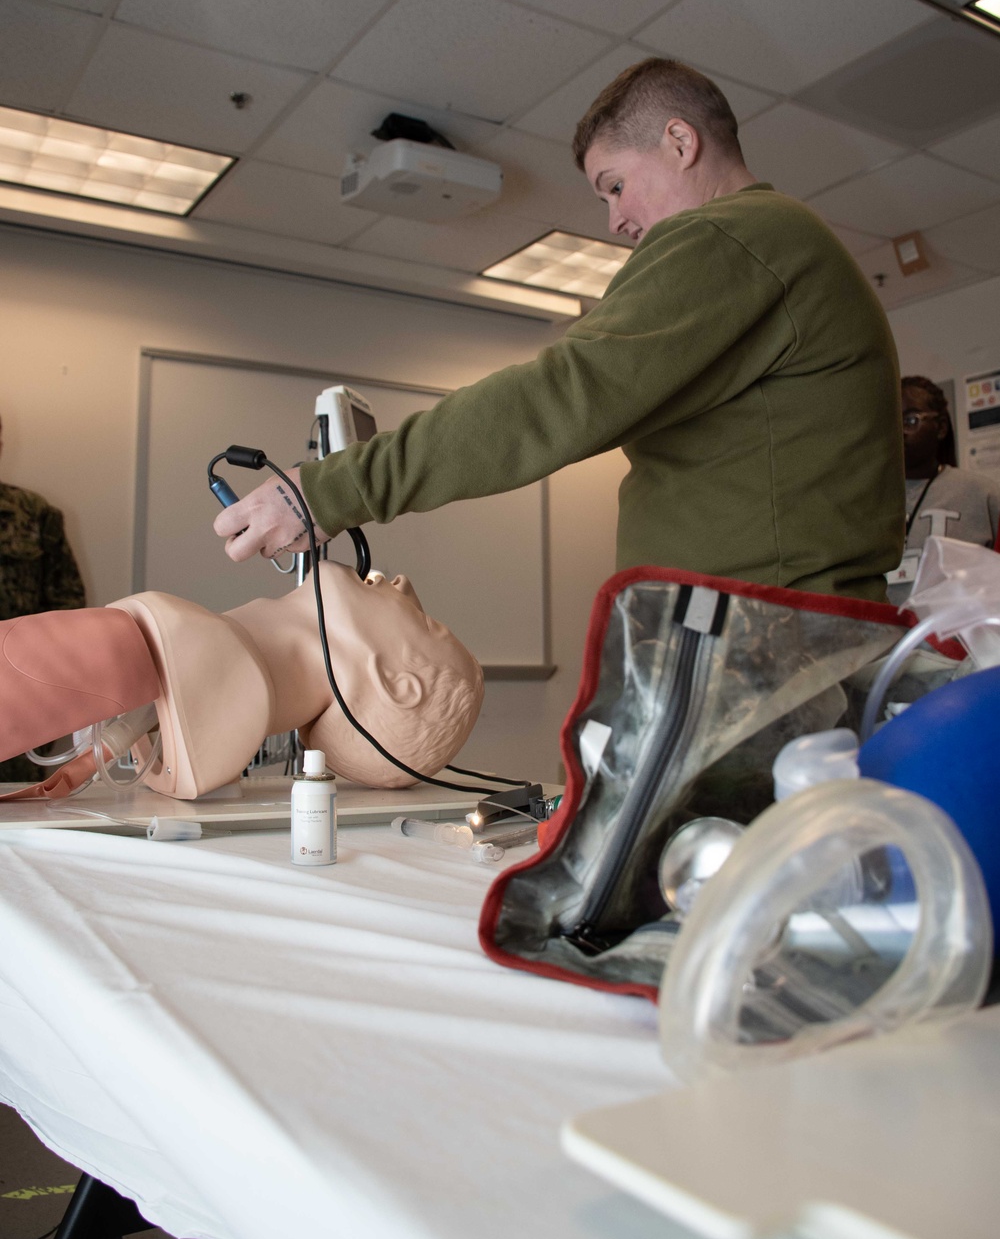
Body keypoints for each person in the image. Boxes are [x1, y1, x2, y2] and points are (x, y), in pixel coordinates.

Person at [213, 58, 904, 603]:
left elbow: (558, 397)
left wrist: (331, 490)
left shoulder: (735, 236)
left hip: (762, 629)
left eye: (614, 185)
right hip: (760, 620)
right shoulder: (774, 245)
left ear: (680, 141)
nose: (615, 221)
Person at [0, 563, 483, 799]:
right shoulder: (172, 648)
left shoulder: (161, 648)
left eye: (425, 623)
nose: (400, 582)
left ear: (398, 684)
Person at [0, 412, 86, 784]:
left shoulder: (34, 514)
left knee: (17, 822)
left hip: (14, 710)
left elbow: (67, 617)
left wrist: (47, 703)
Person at [886, 375, 1000, 605]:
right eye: (890, 423)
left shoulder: (983, 494)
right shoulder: (868, 499)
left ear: (941, 428)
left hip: (955, 635)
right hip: (885, 635)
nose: (899, 432)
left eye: (910, 420)